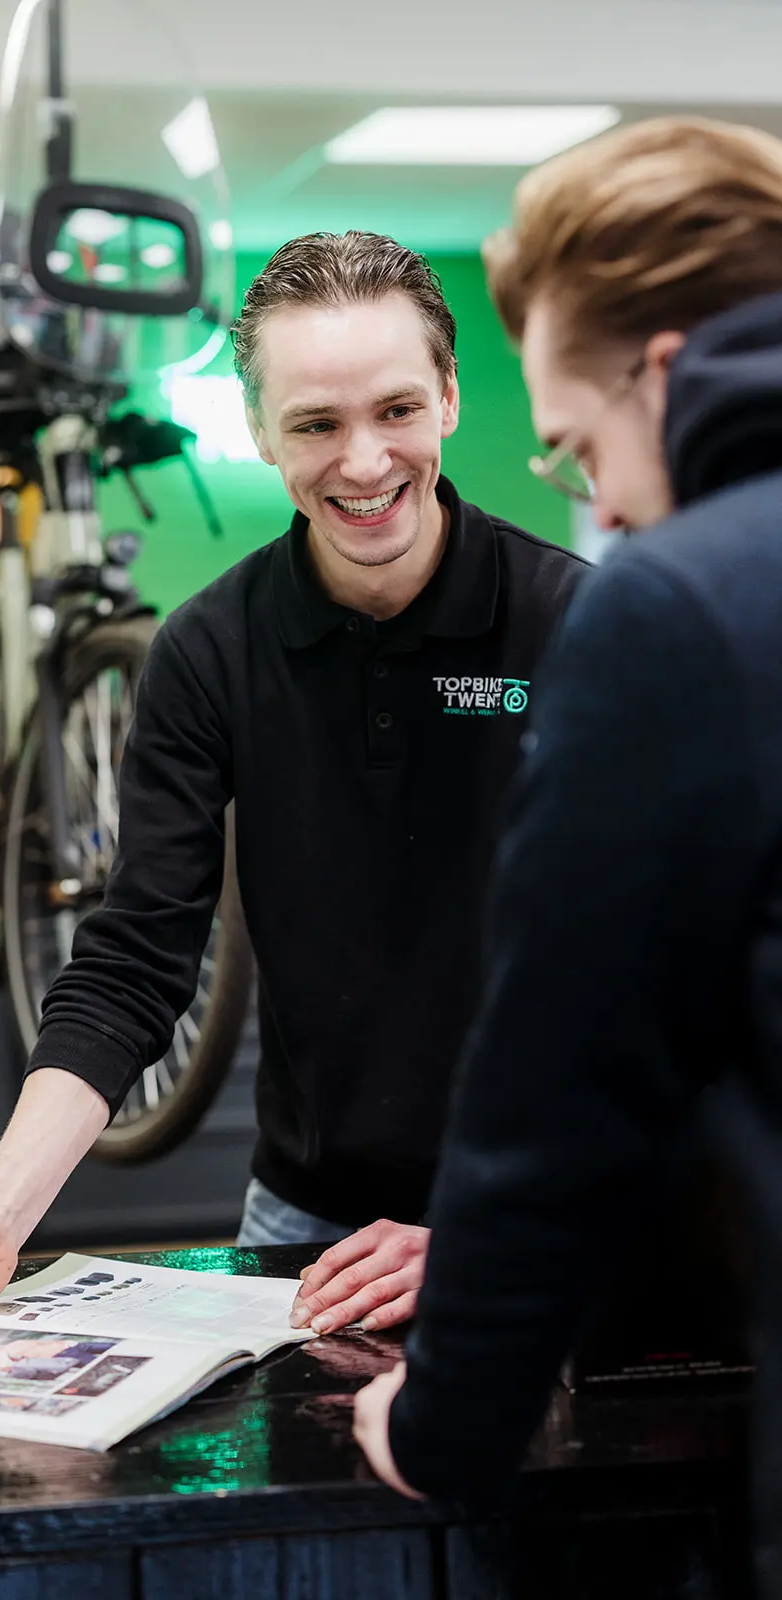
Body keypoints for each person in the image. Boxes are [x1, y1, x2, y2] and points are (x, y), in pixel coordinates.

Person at [0, 230, 584, 1342]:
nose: (361, 461)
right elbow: (136, 955)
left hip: (546, 1211)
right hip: (307, 1220)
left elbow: (646, 977)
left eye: (394, 409)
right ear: (258, 431)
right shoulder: (209, 651)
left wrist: (506, 1218)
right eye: (314, 423)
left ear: (447, 396)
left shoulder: (573, 626)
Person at [347, 117, 782, 1594]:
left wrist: (441, 1414)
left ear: (665, 371)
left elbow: (564, 1083)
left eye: (577, 446)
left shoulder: (674, 607)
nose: (590, 500)